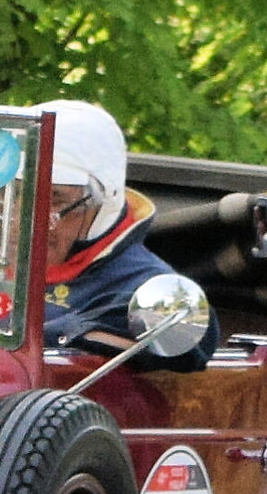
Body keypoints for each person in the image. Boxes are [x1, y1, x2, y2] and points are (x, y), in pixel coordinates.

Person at [39, 99, 218, 372]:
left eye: (53, 199)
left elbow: (193, 338)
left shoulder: (139, 283)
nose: (22, 218)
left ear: (100, 202)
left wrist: (67, 333)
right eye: (13, 194)